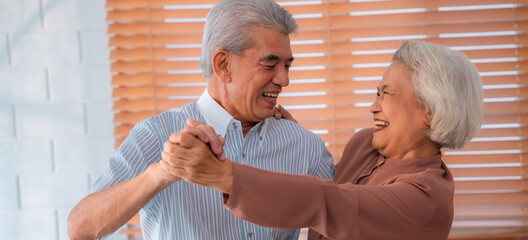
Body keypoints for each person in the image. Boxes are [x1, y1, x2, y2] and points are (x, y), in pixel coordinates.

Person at [160, 41, 484, 240]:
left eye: (387, 94)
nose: (374, 106)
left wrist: (223, 175)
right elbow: (336, 186)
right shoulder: (367, 144)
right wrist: (295, 135)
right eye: (376, 92)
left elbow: (328, 203)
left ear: (429, 110)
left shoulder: (426, 199)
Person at [67, 0, 335, 239]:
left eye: (287, 65)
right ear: (223, 65)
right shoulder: (156, 134)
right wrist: (165, 170)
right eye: (269, 64)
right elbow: (81, 227)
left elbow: (341, 225)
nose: (284, 80)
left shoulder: (306, 147)